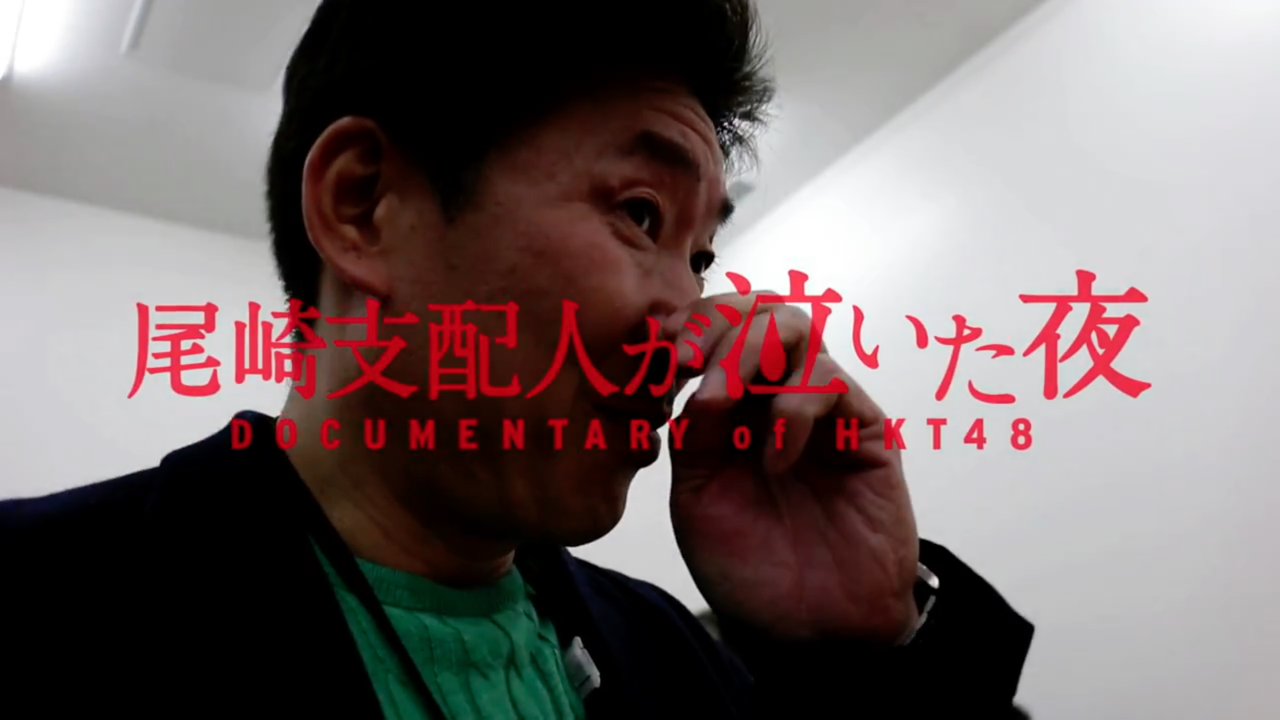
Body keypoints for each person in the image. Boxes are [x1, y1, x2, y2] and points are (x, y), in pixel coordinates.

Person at [0, 1, 1034, 717]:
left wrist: (869, 652)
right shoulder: (43, 608)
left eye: (701, 256)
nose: (693, 320)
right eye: (639, 213)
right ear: (363, 205)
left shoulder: (675, 657)